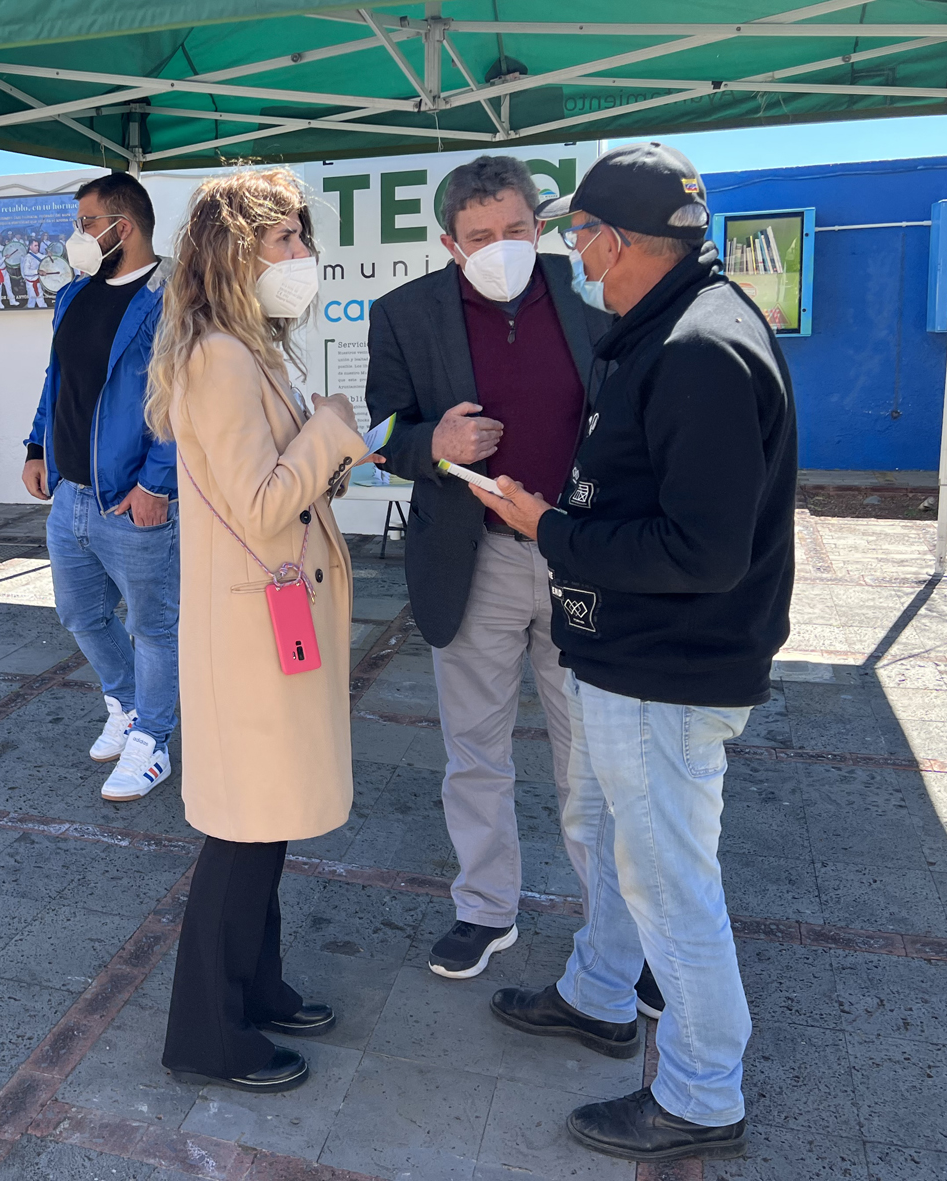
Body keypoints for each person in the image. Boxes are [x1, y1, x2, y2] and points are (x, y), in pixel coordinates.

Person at [472, 142, 797, 1164]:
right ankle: (598, 991)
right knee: (599, 824)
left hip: (670, 666)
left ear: (612, 241)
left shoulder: (699, 348)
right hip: (627, 656)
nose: (568, 251)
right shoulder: (666, 325)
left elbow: (700, 551)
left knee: (666, 877)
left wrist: (544, 528)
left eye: (573, 234)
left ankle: (701, 1092)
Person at [146, 168, 374, 1094]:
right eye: (284, 240)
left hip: (270, 622)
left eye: (301, 238)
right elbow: (261, 501)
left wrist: (326, 448)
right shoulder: (219, 356)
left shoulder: (251, 346)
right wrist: (330, 431)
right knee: (243, 832)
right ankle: (209, 1030)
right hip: (251, 634)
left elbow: (278, 487)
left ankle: (259, 986)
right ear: (235, 250)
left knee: (267, 822)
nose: (302, 256)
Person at [365, 155, 617, 984]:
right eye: (480, 237)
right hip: (474, 560)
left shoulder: (591, 292)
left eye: (516, 230)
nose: (501, 247)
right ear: (449, 243)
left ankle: (617, 931)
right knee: (475, 749)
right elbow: (386, 433)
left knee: (592, 755)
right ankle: (485, 908)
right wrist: (432, 444)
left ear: (538, 227)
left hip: (581, 555)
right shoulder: (404, 315)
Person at [22, 172, 179, 801]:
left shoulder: (174, 297)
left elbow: (182, 401)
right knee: (80, 613)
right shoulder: (74, 297)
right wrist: (37, 446)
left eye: (87, 223)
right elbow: (57, 381)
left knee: (154, 627)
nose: (77, 236)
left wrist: (156, 484)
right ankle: (127, 706)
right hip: (72, 496)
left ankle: (154, 742)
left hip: (133, 498)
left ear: (125, 225)